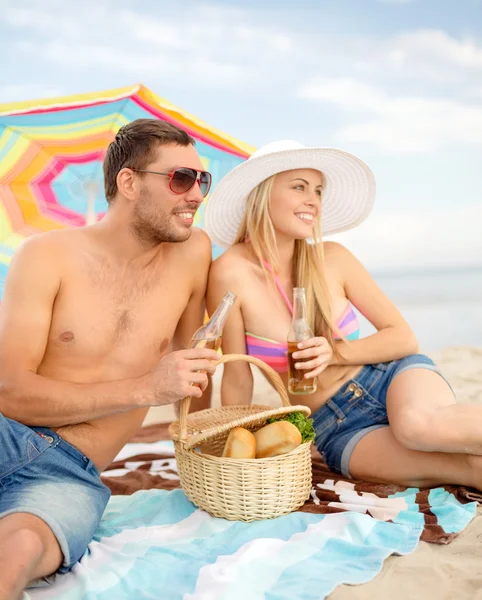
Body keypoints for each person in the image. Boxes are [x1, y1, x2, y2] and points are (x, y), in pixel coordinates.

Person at [0, 118, 220, 597]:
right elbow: (11, 393)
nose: (197, 195)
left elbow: (193, 369)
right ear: (129, 182)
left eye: (202, 180)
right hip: (5, 433)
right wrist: (146, 389)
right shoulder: (46, 256)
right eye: (181, 179)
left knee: (16, 553)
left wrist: (211, 459)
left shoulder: (194, 253)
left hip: (69, 472)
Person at [205, 139, 482, 494]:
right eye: (299, 187)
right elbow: (237, 378)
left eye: (318, 191)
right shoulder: (229, 272)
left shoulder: (333, 258)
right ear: (261, 194)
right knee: (469, 468)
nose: (313, 201)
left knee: (417, 427)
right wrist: (236, 453)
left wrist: (333, 352)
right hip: (335, 427)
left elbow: (402, 337)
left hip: (392, 380)